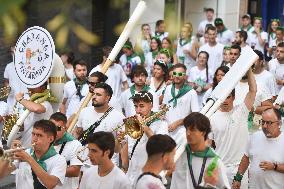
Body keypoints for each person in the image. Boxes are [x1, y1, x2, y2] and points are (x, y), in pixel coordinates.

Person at [209, 68, 256, 188]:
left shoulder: (242, 110)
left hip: (240, 169)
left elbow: (253, 90)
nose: (225, 101)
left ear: (233, 97)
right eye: (223, 97)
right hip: (221, 167)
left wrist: (249, 69)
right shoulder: (211, 118)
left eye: (228, 97)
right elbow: (208, 146)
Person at [0, 120, 67, 189]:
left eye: (39, 135)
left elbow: (50, 184)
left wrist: (29, 159)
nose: (34, 139)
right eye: (33, 134)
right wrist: (8, 156)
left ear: (50, 139)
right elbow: (1, 175)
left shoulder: (59, 160)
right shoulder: (26, 152)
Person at [171, 112, 230, 189]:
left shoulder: (214, 162)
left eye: (193, 129)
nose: (188, 133)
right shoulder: (178, 153)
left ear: (203, 132)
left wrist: (209, 185)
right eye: (187, 129)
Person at [123, 91, 169, 186]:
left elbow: (159, 146)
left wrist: (143, 126)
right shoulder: (132, 122)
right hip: (132, 176)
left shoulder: (161, 124)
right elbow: (125, 147)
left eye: (141, 106)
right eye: (136, 106)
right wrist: (124, 167)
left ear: (151, 105)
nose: (138, 110)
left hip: (151, 177)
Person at [232, 108, 284, 189]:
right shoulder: (254, 136)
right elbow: (246, 157)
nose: (264, 126)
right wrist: (238, 178)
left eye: (269, 123)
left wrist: (274, 166)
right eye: (262, 122)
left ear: (279, 123)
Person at [75, 82, 125, 166]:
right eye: (93, 94)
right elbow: (77, 133)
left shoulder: (119, 117)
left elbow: (118, 149)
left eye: (98, 95)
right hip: (84, 164)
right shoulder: (84, 112)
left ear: (107, 98)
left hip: (107, 167)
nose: (94, 97)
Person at [162, 64, 199, 142]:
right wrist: (162, 114)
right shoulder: (168, 88)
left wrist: (178, 123)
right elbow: (164, 106)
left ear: (185, 76)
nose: (177, 76)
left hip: (182, 131)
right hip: (166, 129)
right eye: (175, 74)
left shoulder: (191, 92)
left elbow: (195, 115)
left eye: (180, 74)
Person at [15, 82, 54, 147]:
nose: (29, 88)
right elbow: (25, 127)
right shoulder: (29, 104)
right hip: (24, 145)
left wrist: (20, 99)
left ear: (43, 88)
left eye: (34, 86)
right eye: (29, 85)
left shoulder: (46, 103)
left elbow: (37, 108)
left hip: (37, 148)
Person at [50, 112, 83, 189]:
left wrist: (47, 169)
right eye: (51, 127)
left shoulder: (75, 144)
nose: (54, 131)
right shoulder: (43, 140)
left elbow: (75, 171)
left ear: (65, 128)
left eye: (58, 128)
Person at [4, 46, 28, 114]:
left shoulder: (29, 65)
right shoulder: (8, 66)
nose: (14, 54)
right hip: (12, 102)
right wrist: (8, 87)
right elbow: (6, 81)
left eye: (16, 51)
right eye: (12, 52)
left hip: (26, 101)